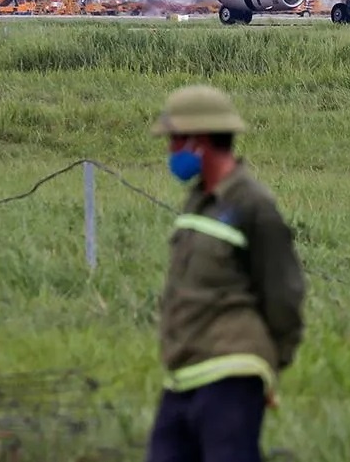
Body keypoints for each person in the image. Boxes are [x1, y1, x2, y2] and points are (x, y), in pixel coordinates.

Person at [146, 84, 307, 462]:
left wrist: (271, 363)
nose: (170, 152)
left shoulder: (253, 204)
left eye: (175, 141)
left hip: (231, 374)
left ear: (199, 141)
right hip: (183, 375)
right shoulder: (198, 201)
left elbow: (283, 292)